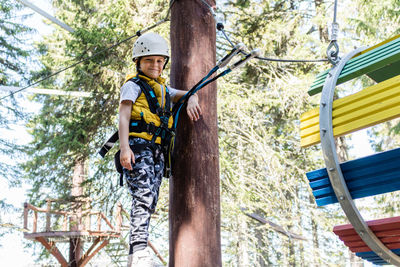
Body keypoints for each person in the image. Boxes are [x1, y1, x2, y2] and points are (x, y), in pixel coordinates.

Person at [119, 32, 202, 267]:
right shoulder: (132, 86)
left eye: (159, 60)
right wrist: (125, 149)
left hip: (156, 152)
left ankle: (137, 252)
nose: (155, 65)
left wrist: (193, 98)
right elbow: (124, 117)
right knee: (143, 196)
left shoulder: (163, 89)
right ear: (138, 62)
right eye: (149, 61)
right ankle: (138, 252)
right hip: (138, 148)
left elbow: (183, 95)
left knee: (151, 199)